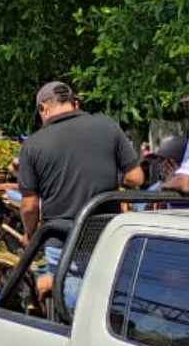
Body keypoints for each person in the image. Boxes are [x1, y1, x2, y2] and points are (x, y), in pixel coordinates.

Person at [17, 81, 143, 294]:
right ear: (75, 104)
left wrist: (30, 235)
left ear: (42, 108)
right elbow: (136, 178)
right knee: (106, 296)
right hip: (105, 233)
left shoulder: (32, 145)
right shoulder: (107, 126)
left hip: (63, 239)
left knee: (74, 307)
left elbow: (29, 207)